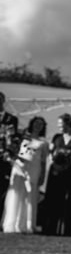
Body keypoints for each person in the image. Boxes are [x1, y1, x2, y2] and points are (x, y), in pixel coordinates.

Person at [2, 116, 49, 233]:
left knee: (30, 196)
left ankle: (27, 224)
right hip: (20, 168)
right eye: (36, 123)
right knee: (16, 195)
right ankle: (12, 223)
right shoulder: (23, 137)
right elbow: (14, 150)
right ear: (32, 124)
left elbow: (43, 161)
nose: (38, 126)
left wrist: (42, 175)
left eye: (41, 124)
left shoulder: (44, 142)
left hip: (34, 170)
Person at [42, 113, 71, 236]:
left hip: (69, 172)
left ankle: (65, 229)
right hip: (55, 172)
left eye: (61, 124)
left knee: (67, 200)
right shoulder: (57, 137)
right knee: (53, 198)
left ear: (68, 123)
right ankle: (50, 227)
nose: (59, 126)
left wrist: (67, 164)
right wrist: (52, 161)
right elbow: (50, 152)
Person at [0, 91, 20, 226]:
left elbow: (13, 139)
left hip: (4, 158)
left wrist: (8, 151)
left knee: (2, 190)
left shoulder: (11, 119)